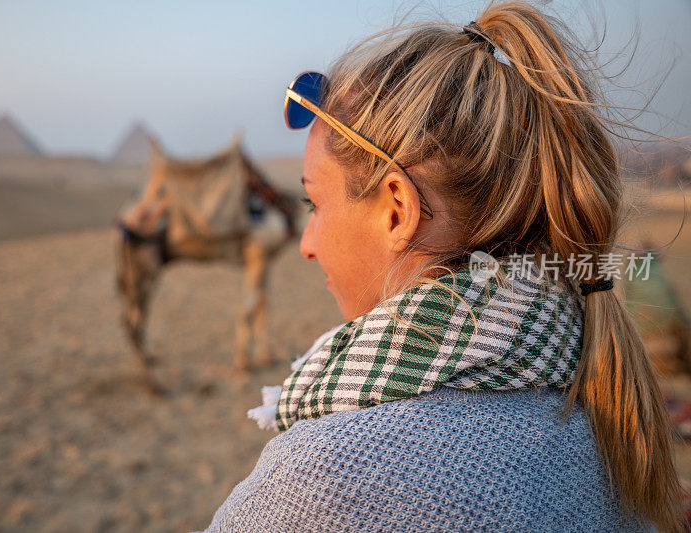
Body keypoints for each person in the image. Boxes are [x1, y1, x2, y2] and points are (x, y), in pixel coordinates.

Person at [203, 2, 684, 531]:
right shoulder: (607, 405)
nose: (307, 245)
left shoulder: (326, 479)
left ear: (396, 210)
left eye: (314, 205)